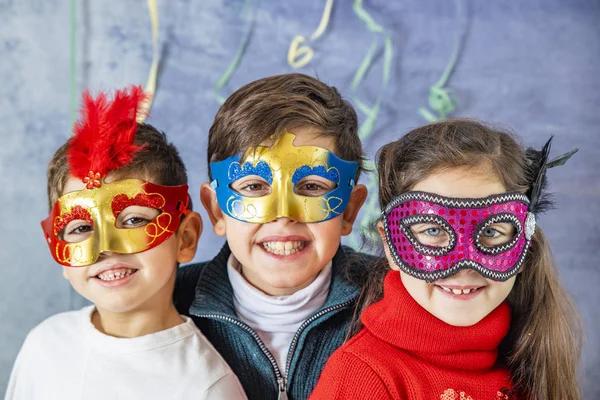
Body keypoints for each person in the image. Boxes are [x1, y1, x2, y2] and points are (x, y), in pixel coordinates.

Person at [310, 119, 583, 400]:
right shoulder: (363, 377)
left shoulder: (529, 361)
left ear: (524, 243)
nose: (464, 265)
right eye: (432, 230)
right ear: (391, 244)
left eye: (491, 231)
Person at [5, 86, 247, 400]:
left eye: (133, 220)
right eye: (79, 227)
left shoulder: (208, 386)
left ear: (184, 238)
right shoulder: (44, 346)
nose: (106, 247)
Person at [174, 73, 374, 400]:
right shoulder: (169, 305)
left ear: (349, 211)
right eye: (254, 187)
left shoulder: (395, 300)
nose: (284, 214)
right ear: (217, 211)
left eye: (312, 186)